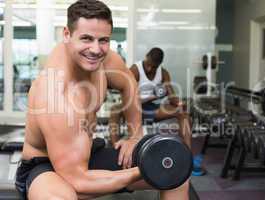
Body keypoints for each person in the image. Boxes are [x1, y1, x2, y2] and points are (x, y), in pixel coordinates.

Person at [14, 1, 189, 199]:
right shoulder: (56, 96)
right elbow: (78, 182)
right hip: (45, 168)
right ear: (66, 35)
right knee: (59, 197)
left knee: (177, 174)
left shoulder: (104, 60)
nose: (96, 49)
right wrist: (149, 167)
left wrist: (135, 135)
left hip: (87, 155)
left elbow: (129, 84)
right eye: (86, 38)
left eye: (103, 40)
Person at [109, 47, 192, 148]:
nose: (149, 69)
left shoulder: (163, 73)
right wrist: (152, 97)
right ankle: (115, 146)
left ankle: (187, 152)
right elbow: (127, 96)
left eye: (154, 67)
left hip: (150, 109)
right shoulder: (135, 70)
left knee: (183, 113)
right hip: (133, 108)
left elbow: (172, 97)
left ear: (159, 64)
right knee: (115, 110)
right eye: (148, 65)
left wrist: (180, 103)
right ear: (146, 56)